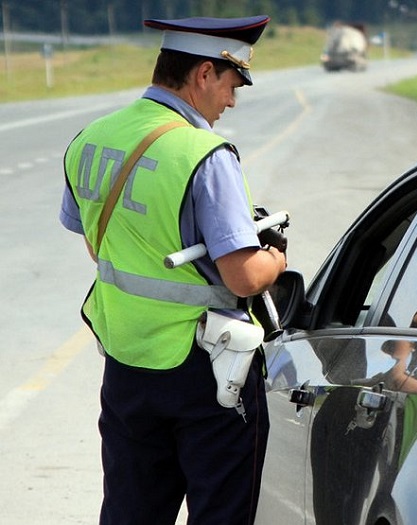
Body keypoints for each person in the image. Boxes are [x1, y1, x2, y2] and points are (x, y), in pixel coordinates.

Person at [59, 14, 286, 525]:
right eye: (231, 84)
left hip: (126, 361)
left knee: (132, 510)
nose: (231, 101)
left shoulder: (92, 136)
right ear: (204, 73)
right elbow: (243, 278)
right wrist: (276, 259)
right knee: (221, 512)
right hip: (205, 369)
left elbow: (100, 246)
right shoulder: (203, 153)